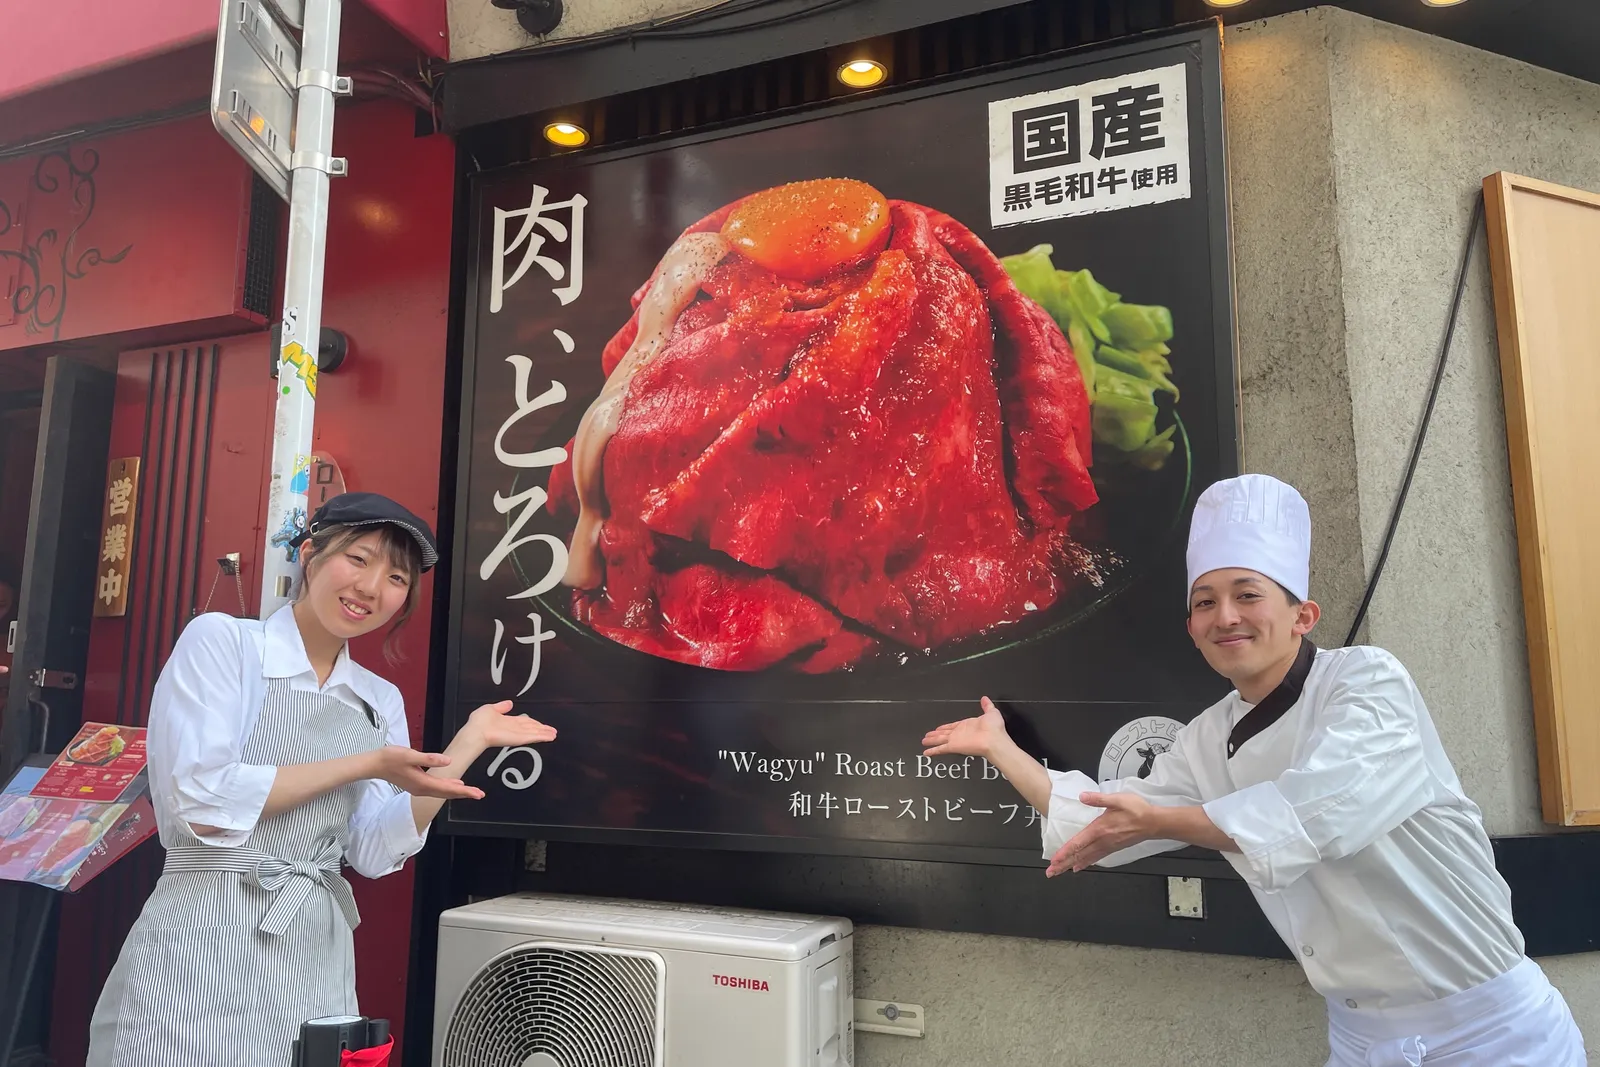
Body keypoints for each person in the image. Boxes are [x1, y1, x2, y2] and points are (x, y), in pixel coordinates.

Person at [922, 474, 1586, 1066]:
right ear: (1190, 627)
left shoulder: (1368, 683)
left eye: (1247, 594)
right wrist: (1000, 747)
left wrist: (1168, 819)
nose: (1226, 616)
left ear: (1303, 615)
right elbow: (1109, 811)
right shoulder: (1209, 737)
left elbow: (1324, 807)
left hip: (1491, 1034)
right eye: (1205, 602)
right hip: (1359, 1037)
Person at [87, 493, 557, 1065]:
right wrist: (367, 763)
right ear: (310, 553)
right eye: (358, 559)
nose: (371, 587)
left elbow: (373, 849)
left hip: (315, 944)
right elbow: (199, 799)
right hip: (202, 934)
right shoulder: (224, 644)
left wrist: (468, 743)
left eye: (396, 577)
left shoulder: (377, 700)